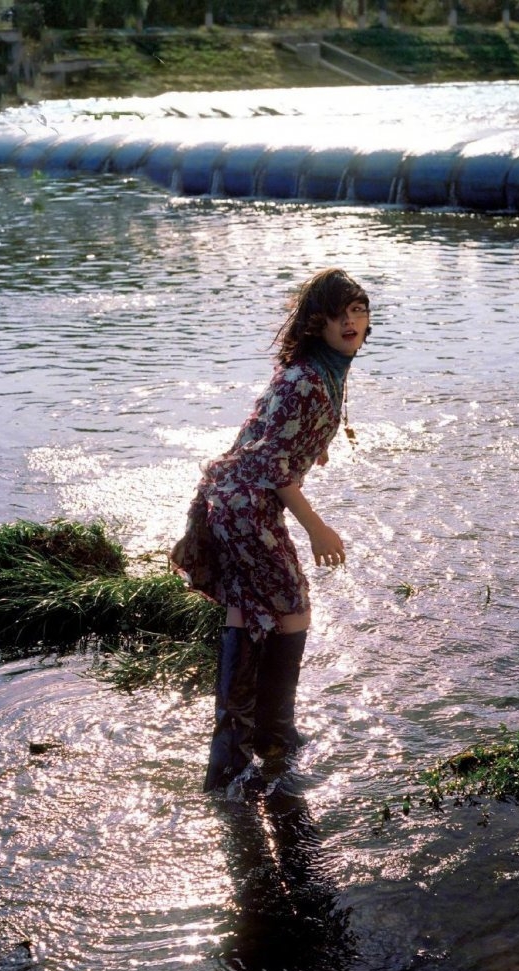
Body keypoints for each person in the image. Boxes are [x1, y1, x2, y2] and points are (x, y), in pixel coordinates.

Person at [170, 268, 371, 792]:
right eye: (336, 314)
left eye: (357, 310)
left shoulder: (325, 370)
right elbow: (273, 468)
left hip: (239, 496)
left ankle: (252, 749)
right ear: (315, 324)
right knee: (289, 605)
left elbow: (264, 433)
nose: (349, 322)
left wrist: (314, 444)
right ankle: (257, 743)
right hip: (245, 503)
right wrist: (317, 528)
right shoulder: (306, 379)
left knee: (259, 607)